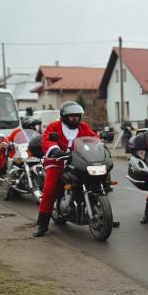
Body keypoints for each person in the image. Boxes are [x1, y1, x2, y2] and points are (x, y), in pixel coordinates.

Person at [33, 101, 98, 237]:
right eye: (71, 116)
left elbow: (93, 138)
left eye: (77, 116)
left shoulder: (84, 127)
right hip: (56, 161)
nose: (75, 119)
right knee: (50, 188)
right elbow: (47, 140)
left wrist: (99, 145)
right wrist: (55, 150)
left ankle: (101, 213)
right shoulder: (54, 126)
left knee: (96, 179)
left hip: (77, 161)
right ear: (64, 116)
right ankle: (42, 224)